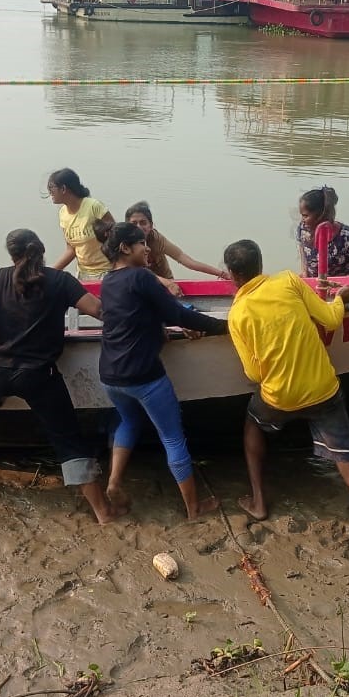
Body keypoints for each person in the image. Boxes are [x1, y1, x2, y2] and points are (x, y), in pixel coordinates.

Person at [223, 239, 349, 570]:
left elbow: (253, 373)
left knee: (252, 425)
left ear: (232, 275)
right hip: (323, 391)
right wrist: (340, 298)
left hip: (279, 397)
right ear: (262, 263)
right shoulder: (288, 280)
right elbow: (331, 320)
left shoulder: (238, 313)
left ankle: (258, 502)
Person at [0, 229, 126, 524]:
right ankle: (102, 511)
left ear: (11, 254)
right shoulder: (60, 280)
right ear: (41, 249)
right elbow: (100, 311)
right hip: (37, 373)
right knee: (67, 438)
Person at [94, 221, 229, 519]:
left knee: (128, 422)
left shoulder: (108, 281)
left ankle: (115, 482)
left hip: (110, 375)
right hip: (143, 376)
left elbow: (134, 314)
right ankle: (194, 507)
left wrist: (159, 327)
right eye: (141, 244)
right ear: (125, 248)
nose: (147, 249)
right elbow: (176, 313)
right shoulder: (141, 277)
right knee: (172, 437)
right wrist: (224, 327)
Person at [125, 201, 230, 297]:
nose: (138, 227)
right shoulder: (124, 245)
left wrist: (222, 274)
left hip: (166, 283)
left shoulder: (157, 240)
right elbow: (134, 272)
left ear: (151, 225)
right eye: (134, 223)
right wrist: (166, 283)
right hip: (141, 285)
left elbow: (186, 260)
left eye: (143, 222)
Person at [48, 168, 114, 281]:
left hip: (107, 272)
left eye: (51, 188)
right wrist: (50, 273)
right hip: (83, 275)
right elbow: (71, 249)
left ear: (63, 189)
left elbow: (117, 237)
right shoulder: (63, 213)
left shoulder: (93, 207)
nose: (50, 193)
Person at [297, 186, 349, 279]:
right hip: (313, 283)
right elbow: (302, 249)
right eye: (302, 215)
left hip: (341, 286)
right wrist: (304, 272)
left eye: (305, 216)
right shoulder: (303, 229)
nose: (302, 220)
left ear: (320, 215)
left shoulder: (347, 237)